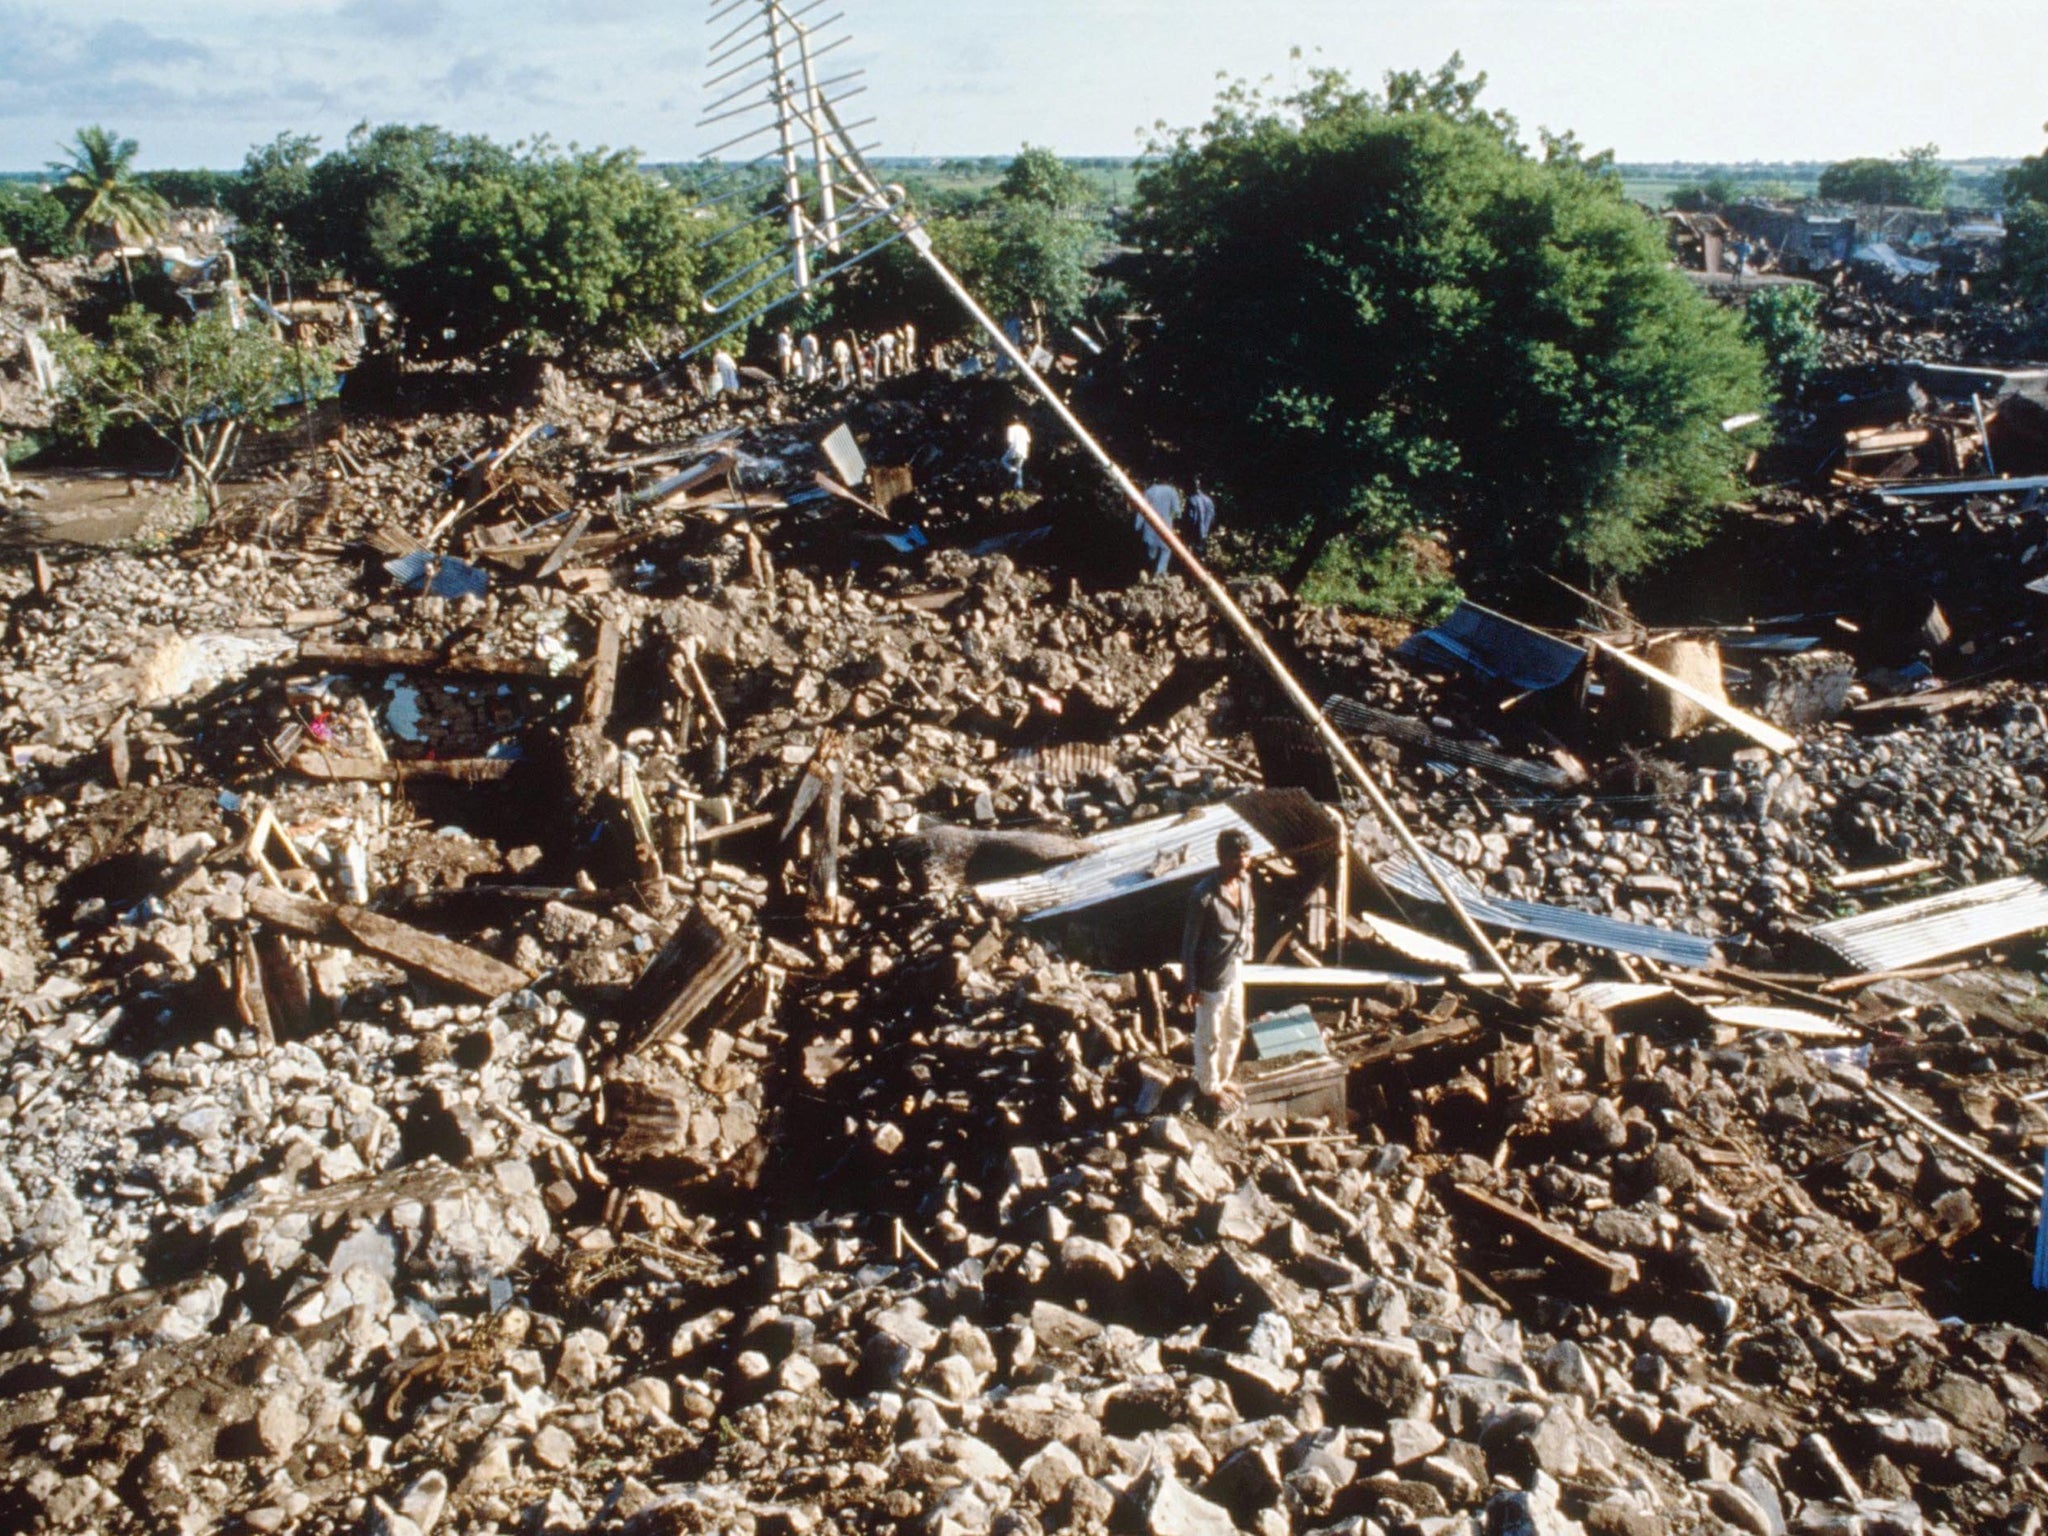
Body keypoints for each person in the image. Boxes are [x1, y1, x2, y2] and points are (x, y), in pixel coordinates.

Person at [1181, 828, 1255, 1118]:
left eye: (1246, 856)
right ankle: (1208, 1087)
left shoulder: (1246, 882)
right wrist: (1190, 985)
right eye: (1236, 857)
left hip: (1234, 966)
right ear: (1222, 858)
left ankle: (1222, 1079)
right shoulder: (1204, 895)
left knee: (1235, 1027)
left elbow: (1248, 916)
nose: (1243, 862)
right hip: (1210, 975)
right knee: (1209, 1034)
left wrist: (1247, 946)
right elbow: (1189, 944)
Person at [1139, 482, 1182, 576]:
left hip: (1150, 528)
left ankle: (1148, 574)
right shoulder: (1172, 491)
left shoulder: (1149, 491)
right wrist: (1170, 518)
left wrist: (1137, 527)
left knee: (1151, 553)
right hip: (1165, 528)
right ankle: (1159, 575)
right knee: (1166, 550)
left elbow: (1141, 511)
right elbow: (1177, 512)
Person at [1187, 481, 1217, 551]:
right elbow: (1213, 519)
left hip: (1194, 535)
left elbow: (1191, 518)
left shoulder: (1191, 499)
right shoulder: (1209, 500)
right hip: (1205, 534)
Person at [1001, 422, 1032, 489]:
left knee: (1003, 460)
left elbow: (1010, 441)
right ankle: (1019, 485)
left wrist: (1008, 450)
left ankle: (1011, 470)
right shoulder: (1024, 429)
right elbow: (1028, 441)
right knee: (1019, 467)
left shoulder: (1011, 428)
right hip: (1023, 450)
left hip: (1014, 449)